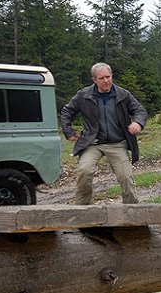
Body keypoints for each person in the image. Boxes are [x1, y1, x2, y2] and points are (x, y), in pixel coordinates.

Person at [60, 62, 148, 204]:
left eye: (108, 76)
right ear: (95, 80)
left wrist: (137, 122)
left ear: (112, 75)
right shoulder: (84, 95)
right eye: (102, 78)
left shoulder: (123, 95)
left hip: (117, 143)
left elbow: (140, 110)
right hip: (92, 143)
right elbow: (67, 111)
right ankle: (81, 209)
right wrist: (69, 131)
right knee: (84, 171)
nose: (106, 80)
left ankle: (132, 211)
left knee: (126, 177)